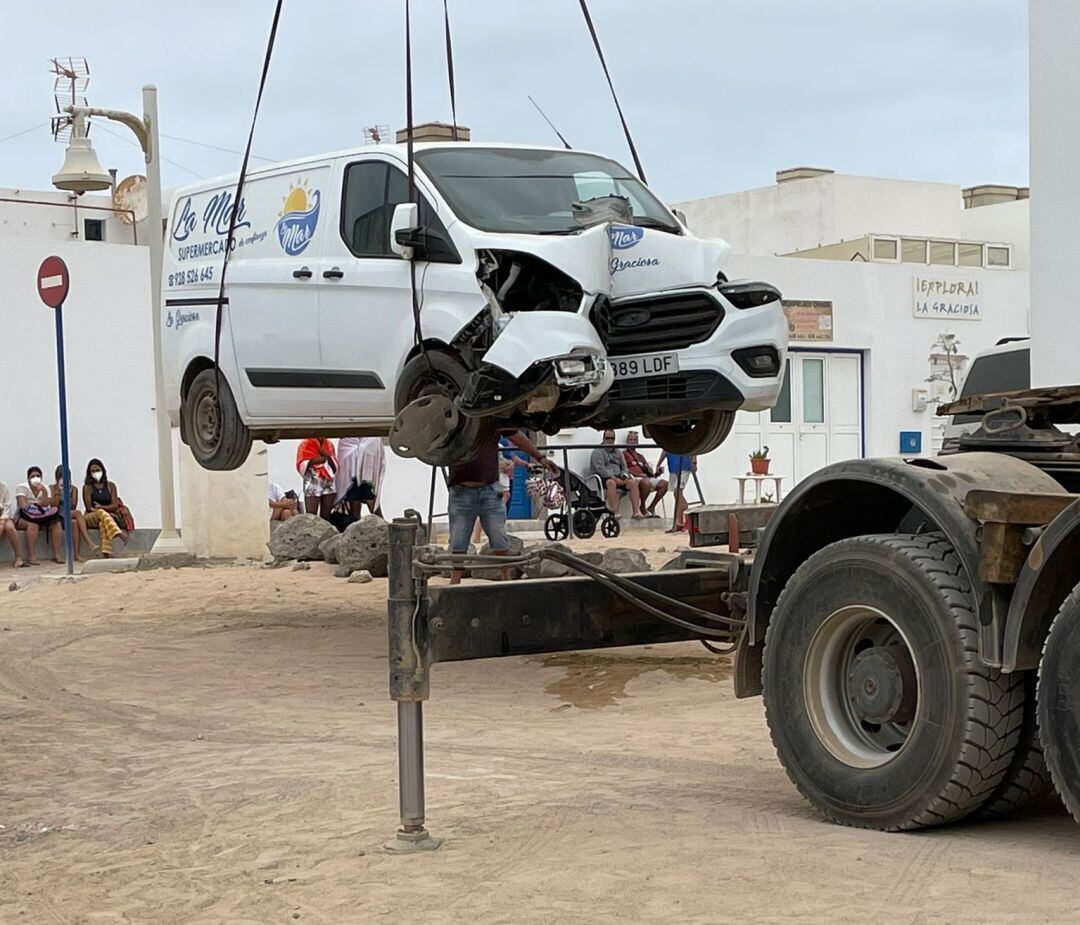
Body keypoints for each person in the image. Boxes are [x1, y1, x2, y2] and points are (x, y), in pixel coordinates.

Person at [449, 432, 557, 585]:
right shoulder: (455, 421)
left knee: (499, 538)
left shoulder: (492, 419)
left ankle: (505, 581)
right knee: (458, 542)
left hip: (490, 490)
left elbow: (515, 435)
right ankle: (455, 583)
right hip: (461, 490)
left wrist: (539, 457)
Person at [13, 466, 64, 566]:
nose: (36, 478)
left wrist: (43, 493)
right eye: (33, 476)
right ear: (28, 478)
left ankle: (57, 555)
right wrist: (38, 503)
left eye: (38, 476)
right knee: (33, 526)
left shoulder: (45, 488)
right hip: (24, 517)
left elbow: (47, 504)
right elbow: (23, 505)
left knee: (56, 524)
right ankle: (31, 556)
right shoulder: (22, 487)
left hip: (41, 516)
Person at [589, 429, 642, 519]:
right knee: (611, 483)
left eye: (612, 438)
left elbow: (624, 466)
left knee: (633, 483)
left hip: (618, 477)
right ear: (603, 438)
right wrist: (613, 478)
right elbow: (600, 469)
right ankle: (614, 511)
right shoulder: (597, 451)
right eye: (607, 438)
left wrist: (624, 476)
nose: (610, 440)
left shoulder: (618, 451)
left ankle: (636, 511)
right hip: (603, 478)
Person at [51, 465, 96, 561]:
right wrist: (57, 494)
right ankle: (58, 554)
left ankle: (77, 553)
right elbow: (53, 505)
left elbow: (73, 505)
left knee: (75, 523)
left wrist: (66, 493)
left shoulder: (73, 489)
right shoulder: (52, 488)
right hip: (57, 514)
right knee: (74, 516)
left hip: (67, 513)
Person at [82, 459, 125, 557]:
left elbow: (115, 505)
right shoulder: (87, 487)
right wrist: (100, 510)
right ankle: (118, 533)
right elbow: (89, 508)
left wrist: (102, 507)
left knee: (103, 523)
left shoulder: (111, 486)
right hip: (91, 516)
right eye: (93, 471)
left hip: (106, 516)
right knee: (101, 513)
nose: (96, 473)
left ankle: (106, 552)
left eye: (97, 470)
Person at [335, 437, 385, 519]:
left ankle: (383, 526)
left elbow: (376, 455)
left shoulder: (374, 438)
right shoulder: (345, 439)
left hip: (368, 476)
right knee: (354, 505)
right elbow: (344, 458)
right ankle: (356, 526)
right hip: (350, 477)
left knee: (372, 501)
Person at [623, 431, 668, 518]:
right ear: (627, 441)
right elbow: (624, 469)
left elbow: (648, 470)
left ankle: (651, 507)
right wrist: (638, 475)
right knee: (646, 483)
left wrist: (653, 470)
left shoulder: (640, 456)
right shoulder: (624, 454)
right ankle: (642, 507)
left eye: (635, 440)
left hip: (645, 477)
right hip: (634, 478)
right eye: (631, 439)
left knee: (665, 484)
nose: (633, 441)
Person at [296, 437, 338, 520]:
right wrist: (314, 460)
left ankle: (326, 532)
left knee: (327, 515)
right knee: (311, 516)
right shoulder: (305, 443)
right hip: (313, 481)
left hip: (328, 481)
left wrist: (327, 455)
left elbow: (334, 467)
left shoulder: (329, 444)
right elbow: (301, 462)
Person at [658, 450, 697, 533]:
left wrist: (694, 462)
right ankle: (679, 523)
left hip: (684, 465)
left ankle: (688, 521)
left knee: (678, 492)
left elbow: (693, 448)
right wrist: (659, 463)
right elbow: (665, 450)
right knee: (676, 494)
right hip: (673, 466)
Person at [0, 480, 23, 568]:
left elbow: (7, 505)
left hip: (4, 516)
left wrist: (3, 519)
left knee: (10, 528)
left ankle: (18, 557)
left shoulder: (3, 487)